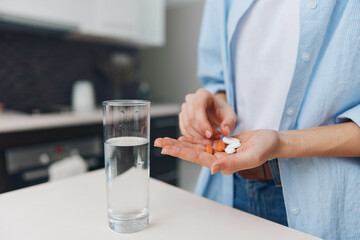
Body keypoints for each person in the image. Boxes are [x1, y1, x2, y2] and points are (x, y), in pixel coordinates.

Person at [154, 0, 360, 239]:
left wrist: (281, 143)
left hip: (327, 202)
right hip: (232, 187)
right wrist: (217, 102)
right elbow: (217, 78)